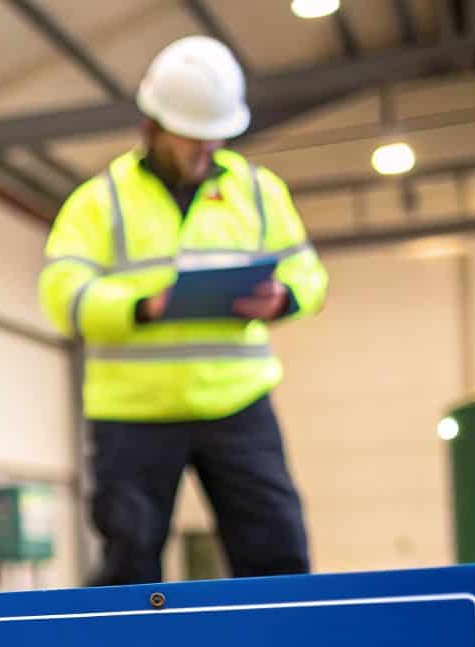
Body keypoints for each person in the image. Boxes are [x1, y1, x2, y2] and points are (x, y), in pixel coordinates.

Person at [39, 36, 328, 587]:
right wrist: (141, 307)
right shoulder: (99, 201)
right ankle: (127, 646)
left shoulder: (258, 191)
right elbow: (62, 295)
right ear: (154, 125)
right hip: (133, 410)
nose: (206, 148)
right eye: (193, 136)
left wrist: (283, 297)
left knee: (278, 550)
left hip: (237, 400)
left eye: (215, 135)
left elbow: (308, 272)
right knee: (128, 565)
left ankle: (281, 641)